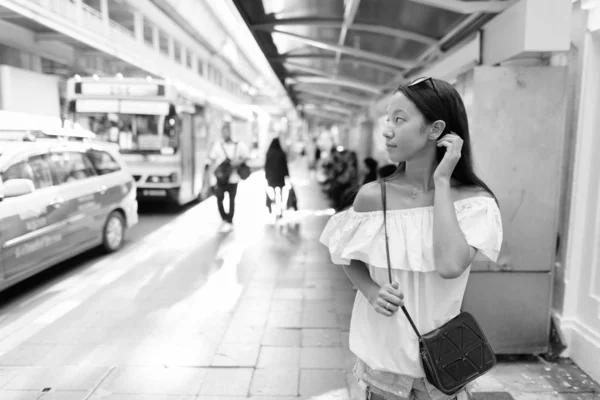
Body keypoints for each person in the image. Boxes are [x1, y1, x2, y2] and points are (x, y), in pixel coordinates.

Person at [320, 77, 503, 400]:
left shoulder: (474, 203)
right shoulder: (373, 197)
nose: (387, 130)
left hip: (444, 366)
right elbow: (347, 257)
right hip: (384, 365)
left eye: (399, 120)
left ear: (435, 130)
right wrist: (372, 291)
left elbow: (450, 265)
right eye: (387, 119)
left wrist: (442, 181)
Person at [208, 121, 249, 230]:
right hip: (221, 177)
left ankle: (230, 218)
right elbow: (212, 159)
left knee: (232, 199)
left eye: (227, 131)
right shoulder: (218, 145)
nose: (225, 133)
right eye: (223, 131)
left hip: (233, 178)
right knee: (219, 198)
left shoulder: (238, 145)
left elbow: (246, 156)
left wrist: (238, 162)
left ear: (230, 132)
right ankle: (224, 217)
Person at [264, 137, 290, 218]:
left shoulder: (269, 153)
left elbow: (266, 166)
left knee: (274, 192)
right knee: (281, 192)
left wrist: (266, 176)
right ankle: (280, 207)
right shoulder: (281, 153)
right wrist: (287, 175)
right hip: (280, 176)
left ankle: (274, 206)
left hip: (272, 177)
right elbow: (285, 166)